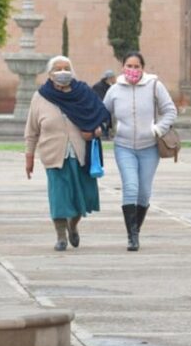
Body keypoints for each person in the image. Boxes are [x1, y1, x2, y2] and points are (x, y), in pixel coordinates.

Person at [25, 56, 110, 251]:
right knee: (59, 197)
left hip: (81, 154)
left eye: (66, 68)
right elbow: (31, 131)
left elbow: (101, 117)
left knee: (82, 196)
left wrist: (95, 131)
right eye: (57, 68)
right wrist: (29, 158)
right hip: (54, 155)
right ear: (49, 73)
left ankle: (73, 224)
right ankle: (61, 236)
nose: (62, 72)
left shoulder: (84, 92)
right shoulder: (40, 96)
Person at [103, 51, 177, 251]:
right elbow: (103, 112)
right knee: (130, 186)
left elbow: (170, 111)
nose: (133, 70)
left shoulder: (154, 86)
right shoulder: (115, 90)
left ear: (143, 68)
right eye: (129, 66)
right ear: (123, 68)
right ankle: (131, 236)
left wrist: (158, 129)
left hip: (149, 148)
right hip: (123, 146)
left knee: (144, 191)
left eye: (137, 67)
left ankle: (136, 229)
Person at [92, 70, 116, 139]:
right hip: (100, 110)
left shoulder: (111, 87)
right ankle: (104, 134)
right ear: (109, 78)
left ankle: (108, 133)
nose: (114, 79)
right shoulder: (98, 86)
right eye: (113, 77)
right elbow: (101, 99)